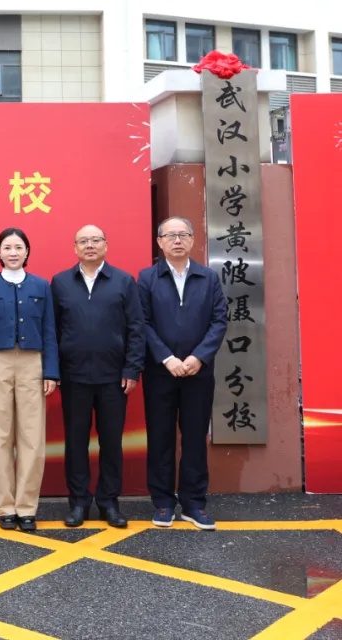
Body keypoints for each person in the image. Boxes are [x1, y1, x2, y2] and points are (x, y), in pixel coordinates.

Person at [50, 225, 145, 529]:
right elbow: (52, 330)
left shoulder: (123, 281)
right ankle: (78, 502)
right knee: (75, 442)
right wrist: (53, 370)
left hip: (113, 378)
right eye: (83, 241)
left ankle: (109, 501)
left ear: (106, 245)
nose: (89, 245)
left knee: (111, 442)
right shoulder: (61, 282)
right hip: (73, 376)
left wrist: (132, 369)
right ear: (75, 248)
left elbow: (136, 328)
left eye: (95, 240)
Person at [138, 217, 227, 531]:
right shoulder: (147, 278)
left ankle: (194, 503)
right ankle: (163, 503)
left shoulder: (208, 277)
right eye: (170, 235)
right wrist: (166, 358)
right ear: (160, 242)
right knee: (160, 438)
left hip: (197, 373)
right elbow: (142, 323)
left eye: (183, 234)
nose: (177, 240)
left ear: (192, 240)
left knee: (194, 438)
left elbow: (219, 321)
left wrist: (198, 357)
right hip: (160, 373)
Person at [0, 227, 59, 533]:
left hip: (31, 362)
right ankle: (5, 507)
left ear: (27, 252)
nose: (13, 252)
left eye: (18, 247)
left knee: (31, 436)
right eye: (7, 247)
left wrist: (51, 372)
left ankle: (26, 507)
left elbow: (49, 330)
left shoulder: (41, 285)